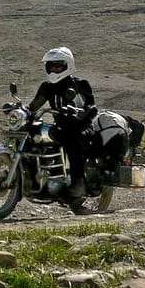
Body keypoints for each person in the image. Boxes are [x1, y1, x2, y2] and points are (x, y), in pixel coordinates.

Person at [26, 47, 95, 198]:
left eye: (58, 66)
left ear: (67, 65)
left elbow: (91, 106)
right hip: (60, 127)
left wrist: (81, 113)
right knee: (32, 139)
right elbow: (34, 105)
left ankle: (78, 184)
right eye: (51, 66)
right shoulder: (47, 87)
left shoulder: (80, 84)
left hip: (80, 127)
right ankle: (35, 182)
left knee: (72, 141)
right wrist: (22, 111)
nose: (54, 69)